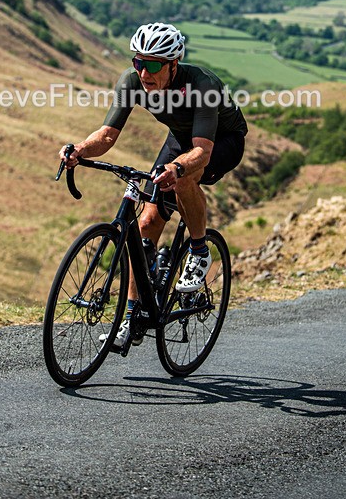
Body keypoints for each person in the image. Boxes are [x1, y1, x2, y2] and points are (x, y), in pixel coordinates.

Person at [59, 21, 247, 350]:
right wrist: (78, 151)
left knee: (185, 177)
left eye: (154, 64)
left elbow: (202, 150)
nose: (144, 72)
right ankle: (132, 318)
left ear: (173, 64)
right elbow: (106, 136)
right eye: (138, 61)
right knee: (145, 222)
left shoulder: (203, 85)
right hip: (180, 138)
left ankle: (199, 252)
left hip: (222, 141)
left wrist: (177, 168)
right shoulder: (132, 81)